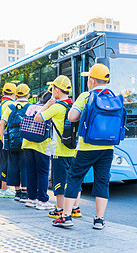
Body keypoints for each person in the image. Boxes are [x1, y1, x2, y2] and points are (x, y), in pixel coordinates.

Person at [53, 64, 113, 230]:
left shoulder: (86, 95)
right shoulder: (113, 96)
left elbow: (72, 117)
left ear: (91, 80)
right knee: (102, 181)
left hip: (87, 146)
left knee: (74, 177)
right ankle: (99, 219)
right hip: (108, 148)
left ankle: (66, 216)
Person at [34, 75, 81, 218]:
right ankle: (75, 209)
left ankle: (60, 209)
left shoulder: (56, 108)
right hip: (74, 150)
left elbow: (37, 118)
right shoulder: (74, 106)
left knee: (59, 181)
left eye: (52, 88)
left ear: (56, 90)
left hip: (59, 151)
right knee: (74, 179)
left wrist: (47, 105)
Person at [23, 91, 54, 210]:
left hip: (26, 143)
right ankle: (42, 200)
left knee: (31, 172)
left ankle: (31, 199)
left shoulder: (31, 106)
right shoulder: (48, 109)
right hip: (41, 144)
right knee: (42, 172)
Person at [0, 84, 29, 202]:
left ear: (16, 94)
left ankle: (17, 192)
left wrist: (3, 140)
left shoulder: (10, 107)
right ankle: (24, 192)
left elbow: (2, 123)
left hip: (11, 142)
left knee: (13, 166)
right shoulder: (30, 107)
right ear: (28, 94)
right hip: (26, 142)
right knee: (25, 167)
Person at [0, 83, 16, 198]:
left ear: (3, 92)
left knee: (1, 163)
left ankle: (0, 187)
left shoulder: (1, 103)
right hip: (6, 138)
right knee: (6, 163)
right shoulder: (11, 104)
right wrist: (4, 139)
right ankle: (4, 189)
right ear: (14, 93)